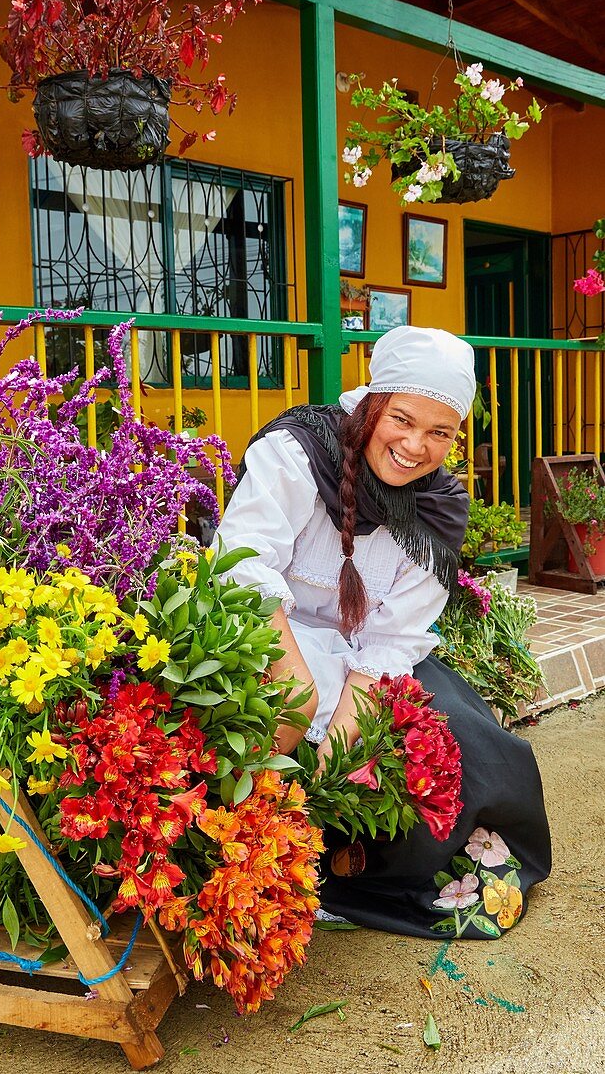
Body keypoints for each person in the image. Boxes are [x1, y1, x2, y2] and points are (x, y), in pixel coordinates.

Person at [215, 326, 551, 939]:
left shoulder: (436, 510)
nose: (415, 445)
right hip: (262, 634)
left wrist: (340, 744)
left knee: (464, 746)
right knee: (266, 722)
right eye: (402, 419)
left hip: (361, 658)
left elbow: (394, 640)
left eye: (440, 433)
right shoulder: (295, 452)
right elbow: (243, 564)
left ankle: (346, 876)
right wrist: (297, 686)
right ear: (373, 402)